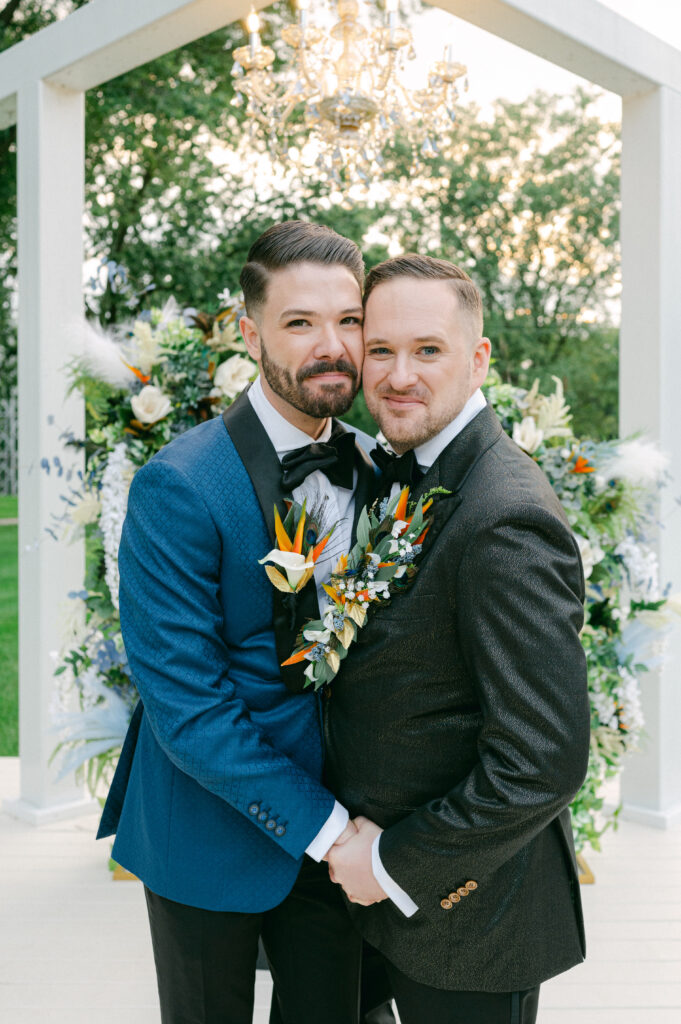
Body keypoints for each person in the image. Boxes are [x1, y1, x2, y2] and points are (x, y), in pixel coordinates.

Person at [96, 220, 383, 1024]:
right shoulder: (178, 485)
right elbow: (187, 706)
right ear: (250, 333)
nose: (331, 345)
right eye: (300, 323)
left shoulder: (379, 468)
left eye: (348, 320)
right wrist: (325, 829)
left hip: (345, 830)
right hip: (207, 829)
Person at [324, 254, 591, 1024]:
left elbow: (541, 762)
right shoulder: (409, 471)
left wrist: (389, 862)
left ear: (477, 359)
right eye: (381, 350)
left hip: (470, 920)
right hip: (375, 910)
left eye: (427, 350)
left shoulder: (503, 515)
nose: (398, 374)